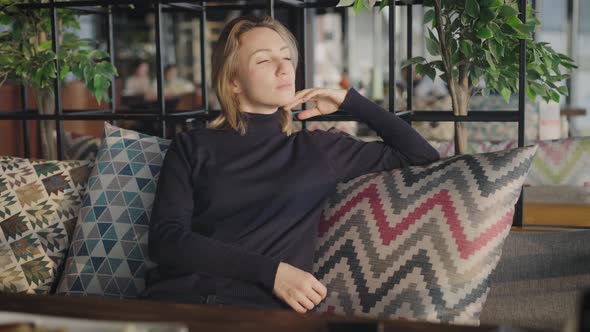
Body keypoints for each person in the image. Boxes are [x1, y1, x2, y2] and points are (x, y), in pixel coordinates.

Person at [139, 15, 440, 313]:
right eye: (263, 60)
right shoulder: (193, 145)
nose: (284, 68)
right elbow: (165, 240)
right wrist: (272, 273)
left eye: (286, 57)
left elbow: (419, 154)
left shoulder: (319, 149)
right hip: (175, 302)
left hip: (258, 314)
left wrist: (350, 102)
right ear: (233, 81)